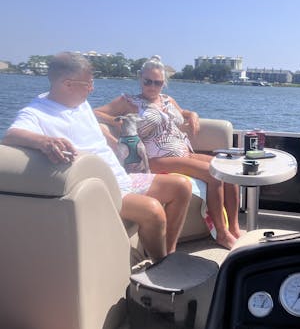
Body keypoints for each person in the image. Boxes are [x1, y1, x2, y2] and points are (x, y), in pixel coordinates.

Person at [2, 52, 192, 261]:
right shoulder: (36, 113)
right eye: (88, 84)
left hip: (122, 178)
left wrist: (112, 136)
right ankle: (160, 267)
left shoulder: (80, 104)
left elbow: (95, 130)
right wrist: (45, 142)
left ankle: (170, 255)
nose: (92, 89)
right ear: (67, 84)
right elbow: (11, 135)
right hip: (102, 190)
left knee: (181, 186)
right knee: (153, 211)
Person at [94, 55, 243, 249]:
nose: (152, 86)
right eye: (148, 81)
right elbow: (94, 112)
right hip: (157, 158)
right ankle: (222, 234)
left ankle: (234, 227)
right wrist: (118, 122)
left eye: (157, 82)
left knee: (227, 169)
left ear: (163, 83)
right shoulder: (128, 102)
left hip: (184, 151)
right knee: (213, 174)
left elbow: (182, 114)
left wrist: (192, 115)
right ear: (140, 79)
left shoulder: (167, 99)